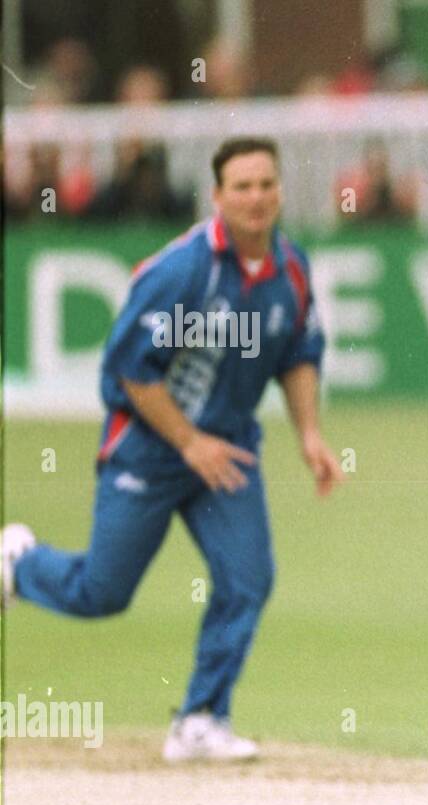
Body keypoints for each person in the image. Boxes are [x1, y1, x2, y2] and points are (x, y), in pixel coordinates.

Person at [1, 137, 345, 762]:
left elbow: (297, 355)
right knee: (103, 592)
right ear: (216, 197)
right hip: (149, 450)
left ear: (280, 191)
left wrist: (311, 437)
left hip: (228, 452)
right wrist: (187, 441)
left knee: (247, 580)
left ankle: (200, 720)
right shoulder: (183, 271)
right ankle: (18, 566)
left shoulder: (289, 271)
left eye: (267, 184)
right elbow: (133, 368)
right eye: (242, 187)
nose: (257, 198)